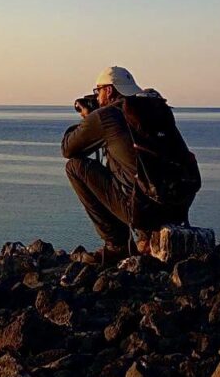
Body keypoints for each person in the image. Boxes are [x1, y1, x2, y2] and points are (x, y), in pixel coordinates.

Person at [62, 65, 197, 265]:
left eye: (98, 91)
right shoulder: (152, 111)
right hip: (177, 208)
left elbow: (68, 149)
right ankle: (145, 237)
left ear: (109, 90)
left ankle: (117, 245)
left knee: (74, 166)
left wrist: (88, 118)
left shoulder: (106, 116)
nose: (97, 97)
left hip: (141, 213)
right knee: (135, 172)